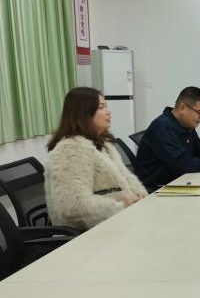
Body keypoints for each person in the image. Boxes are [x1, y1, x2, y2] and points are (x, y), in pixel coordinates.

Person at [45, 87, 148, 230]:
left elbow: (126, 178)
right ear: (84, 114)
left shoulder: (103, 144)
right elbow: (71, 206)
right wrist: (120, 207)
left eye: (106, 106)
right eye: (101, 107)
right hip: (88, 234)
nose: (108, 111)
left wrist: (140, 196)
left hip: (117, 223)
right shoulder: (70, 149)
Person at [136, 87, 200, 192]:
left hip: (179, 180)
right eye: (199, 112)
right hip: (158, 188)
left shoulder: (185, 124)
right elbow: (181, 164)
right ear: (183, 108)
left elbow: (199, 150)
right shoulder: (163, 127)